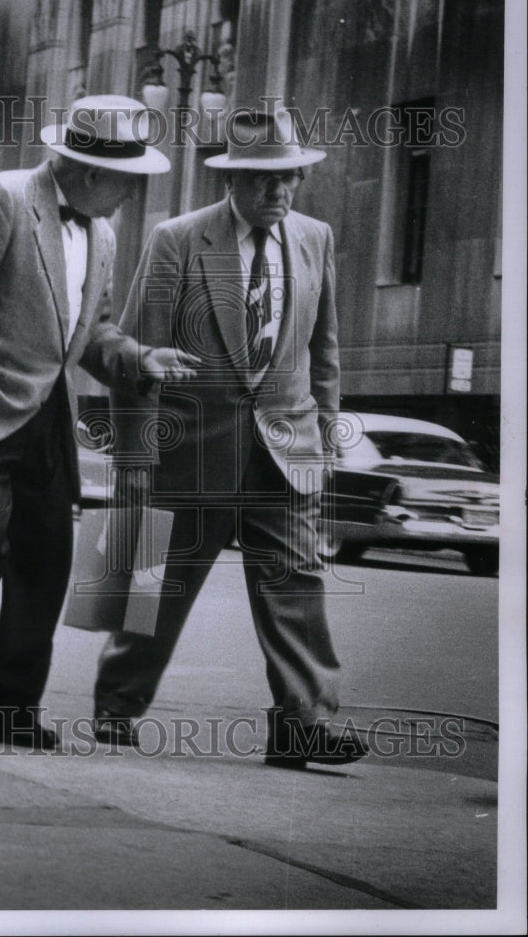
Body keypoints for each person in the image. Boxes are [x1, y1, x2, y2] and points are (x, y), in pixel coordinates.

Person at [0, 94, 198, 750]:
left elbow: (91, 335)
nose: (132, 195)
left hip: (46, 419)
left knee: (43, 568)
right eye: (130, 180)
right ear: (92, 173)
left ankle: (12, 711)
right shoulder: (0, 201)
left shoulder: (102, 234)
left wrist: (140, 357)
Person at [92, 104, 369, 767]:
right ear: (231, 181)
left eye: (291, 179)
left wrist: (326, 437)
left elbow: (322, 349)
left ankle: (302, 722)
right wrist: (133, 453)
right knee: (154, 578)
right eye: (266, 180)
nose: (281, 192)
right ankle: (115, 708)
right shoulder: (177, 238)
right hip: (189, 448)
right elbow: (137, 348)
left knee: (296, 582)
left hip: (286, 447)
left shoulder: (314, 237)